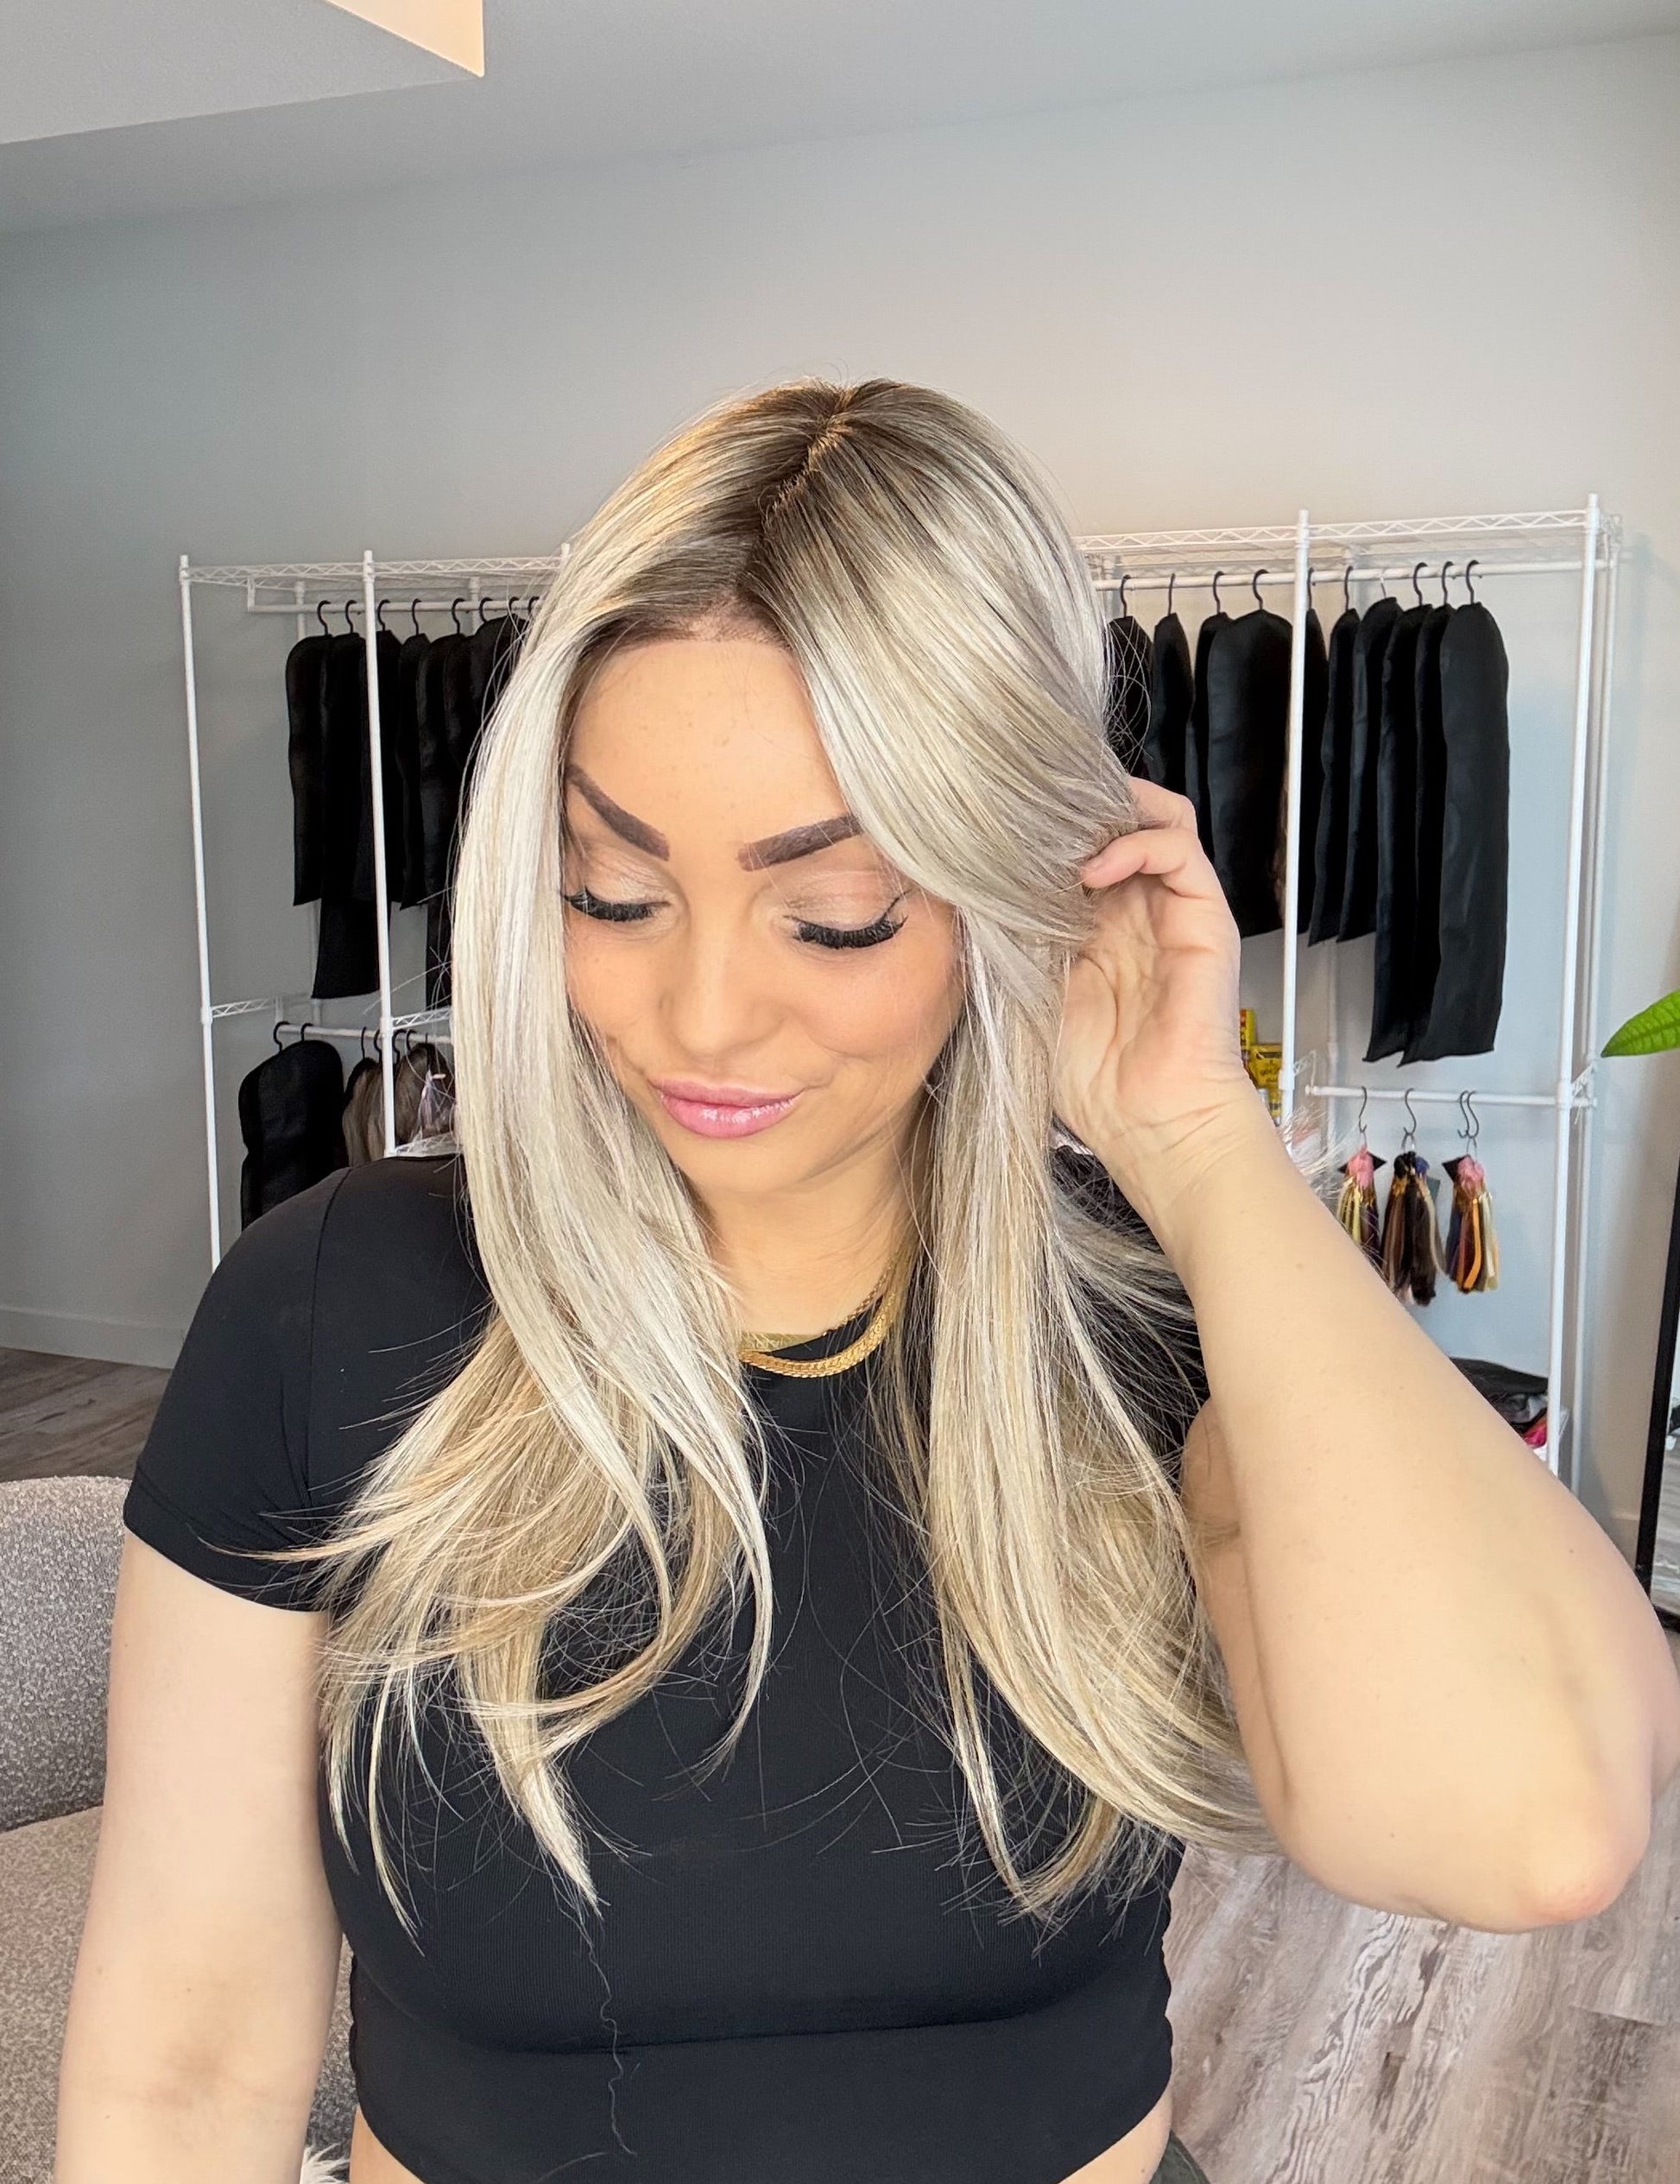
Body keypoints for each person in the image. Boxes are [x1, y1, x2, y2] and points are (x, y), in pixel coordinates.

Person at [58, 380, 1680, 2184]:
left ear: (1007, 888)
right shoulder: (331, 1306)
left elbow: (1536, 1823)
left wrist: (1200, 1141)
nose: (702, 1018)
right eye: (614, 892)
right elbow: (184, 2060)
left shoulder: (1146, 1318)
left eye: (832, 913)